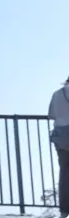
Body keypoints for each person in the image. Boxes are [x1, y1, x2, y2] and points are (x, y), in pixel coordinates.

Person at [49, 75, 69, 217]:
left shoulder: (57, 93)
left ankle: (65, 211)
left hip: (61, 137)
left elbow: (52, 115)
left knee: (65, 174)